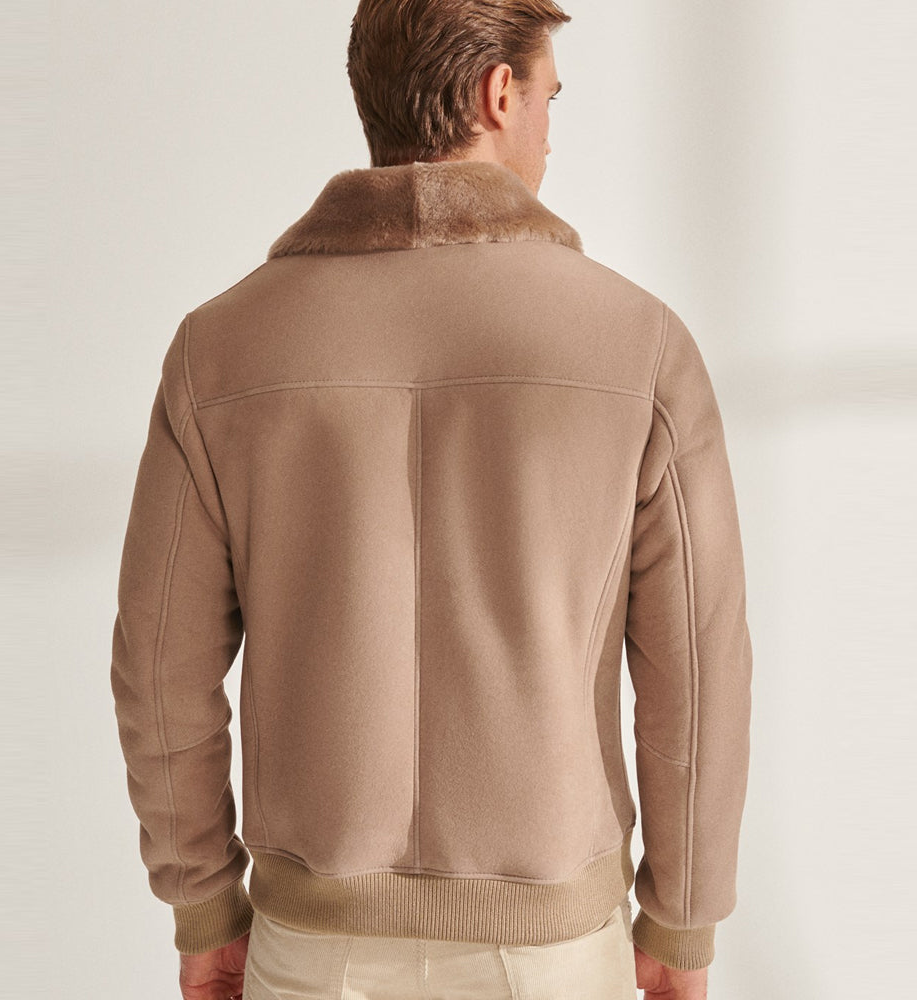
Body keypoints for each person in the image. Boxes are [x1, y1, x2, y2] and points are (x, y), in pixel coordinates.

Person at [109, 2, 753, 998]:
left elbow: (159, 670)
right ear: (499, 95)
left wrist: (202, 903)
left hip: (311, 950)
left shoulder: (218, 349)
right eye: (549, 97)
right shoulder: (641, 346)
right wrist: (680, 920)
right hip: (550, 956)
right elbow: (697, 677)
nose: (549, 129)